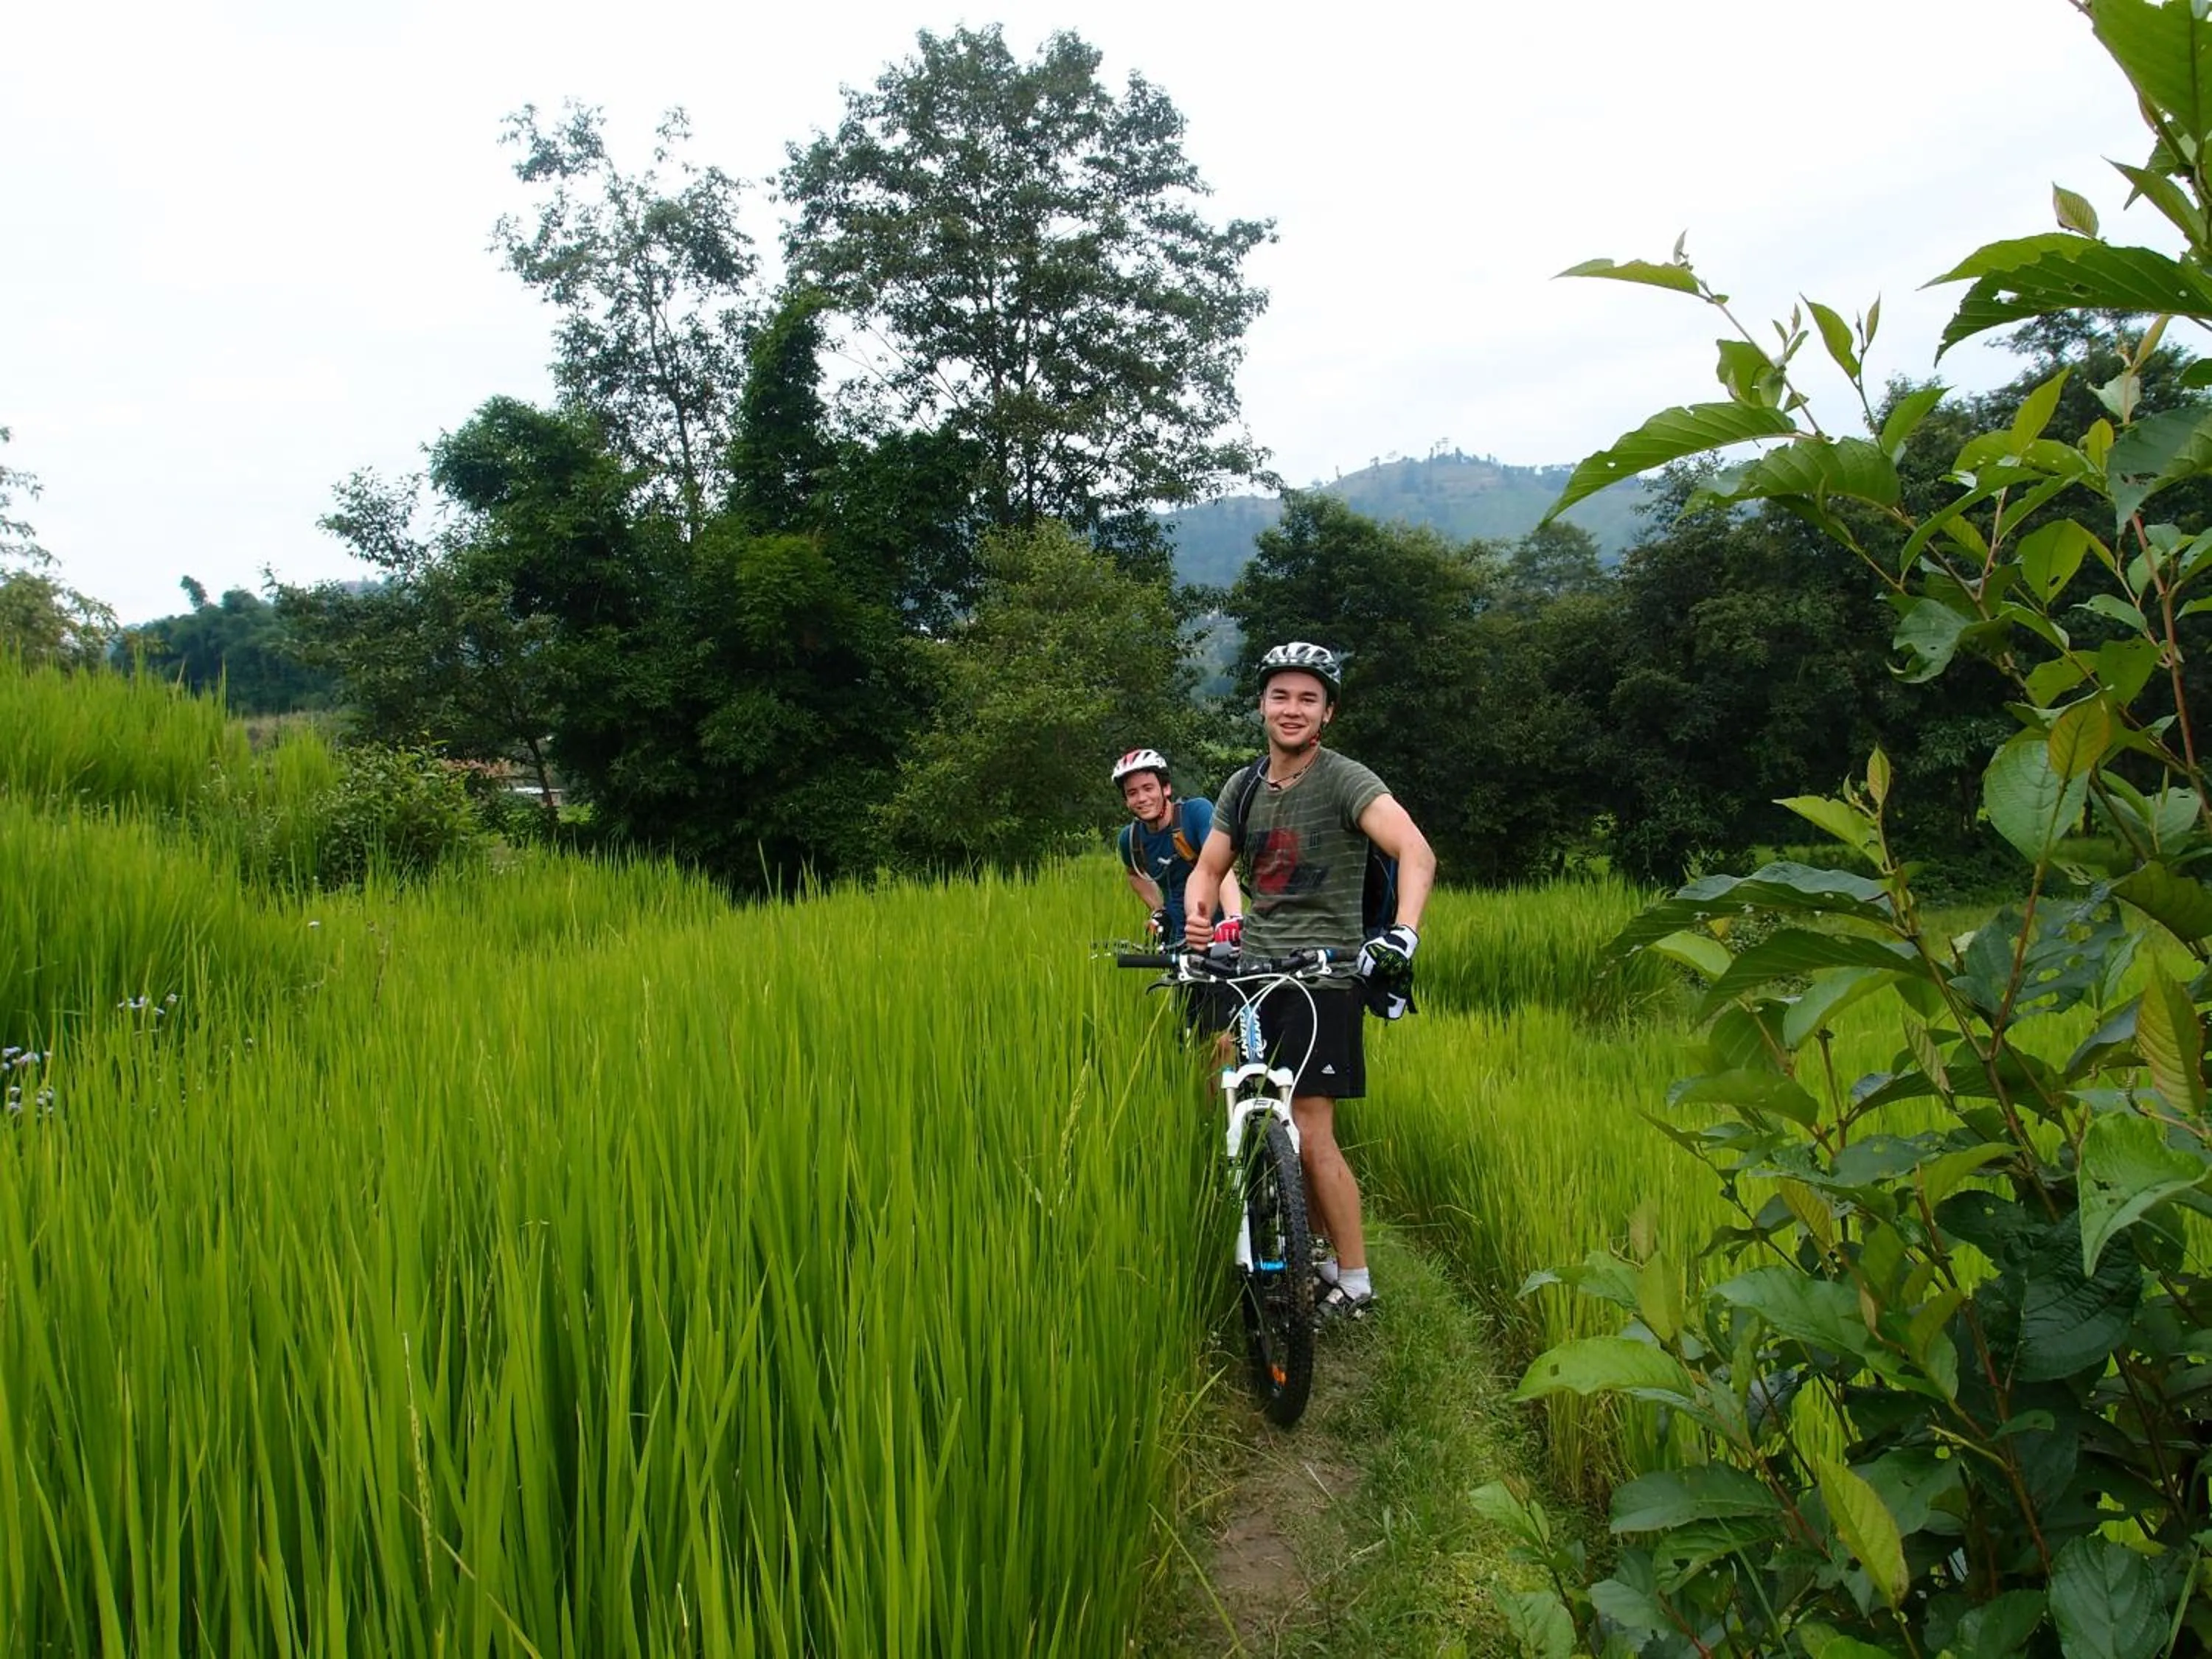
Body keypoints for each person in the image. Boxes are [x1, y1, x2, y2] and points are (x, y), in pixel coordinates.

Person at [1182, 641, 1436, 1322]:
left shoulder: (1347, 780)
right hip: (1253, 971)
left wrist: (1403, 933)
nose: (1292, 709)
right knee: (1235, 1085)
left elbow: (1415, 851)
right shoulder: (1243, 787)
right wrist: (1199, 916)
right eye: (1281, 696)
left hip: (1322, 976)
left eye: (1308, 699)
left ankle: (1353, 1281)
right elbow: (1208, 869)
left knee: (1311, 1125)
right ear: (1262, 706)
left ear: (1327, 713)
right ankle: (1305, 1240)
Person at [1112, 748, 1243, 1034]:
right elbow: (1134, 874)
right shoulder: (1131, 839)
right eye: (1132, 793)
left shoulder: (1195, 814)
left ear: (1166, 788)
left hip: (1219, 939)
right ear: (1126, 801)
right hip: (1179, 946)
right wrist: (1158, 909)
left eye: (1148, 788)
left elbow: (1219, 869)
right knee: (1191, 1033)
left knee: (1225, 1035)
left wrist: (1233, 919)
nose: (1142, 798)